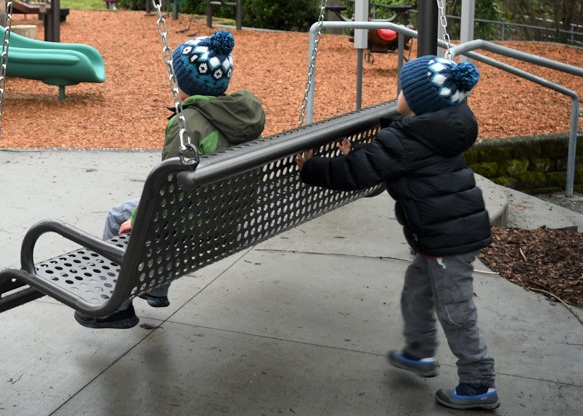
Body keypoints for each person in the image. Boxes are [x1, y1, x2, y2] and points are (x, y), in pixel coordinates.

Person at [295, 55, 498, 411]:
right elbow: (384, 161)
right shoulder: (438, 130)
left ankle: (479, 381)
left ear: (418, 103)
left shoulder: (408, 138)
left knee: (455, 312)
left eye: (404, 89)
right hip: (443, 235)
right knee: (417, 290)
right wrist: (361, 152)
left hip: (446, 241)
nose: (399, 94)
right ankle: (419, 352)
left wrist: (311, 167)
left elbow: (357, 173)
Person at [75, 29, 266, 329]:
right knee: (154, 216)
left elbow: (168, 191)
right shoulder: (240, 116)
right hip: (230, 217)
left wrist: (139, 219)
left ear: (183, 84)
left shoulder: (186, 124)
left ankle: (115, 306)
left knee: (120, 217)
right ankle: (155, 288)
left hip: (200, 223)